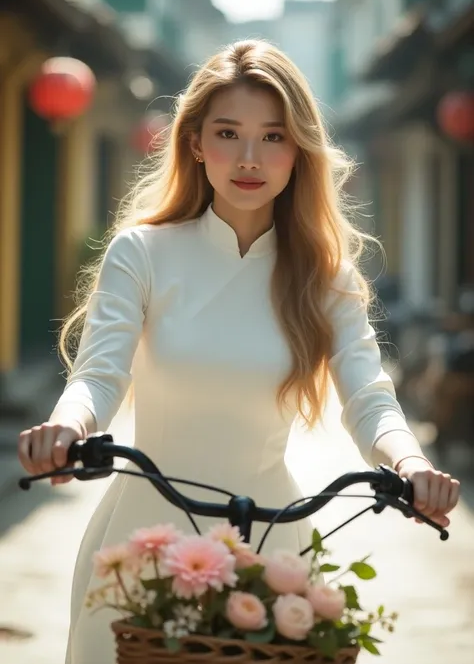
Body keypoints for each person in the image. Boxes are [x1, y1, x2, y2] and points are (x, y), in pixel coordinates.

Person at [18, 40, 459, 664]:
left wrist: (411, 464)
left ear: (298, 150)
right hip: (140, 543)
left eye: (274, 137)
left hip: (274, 553)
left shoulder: (322, 274)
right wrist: (66, 428)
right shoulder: (142, 253)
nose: (250, 158)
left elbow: (367, 393)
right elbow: (99, 373)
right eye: (229, 133)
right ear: (196, 142)